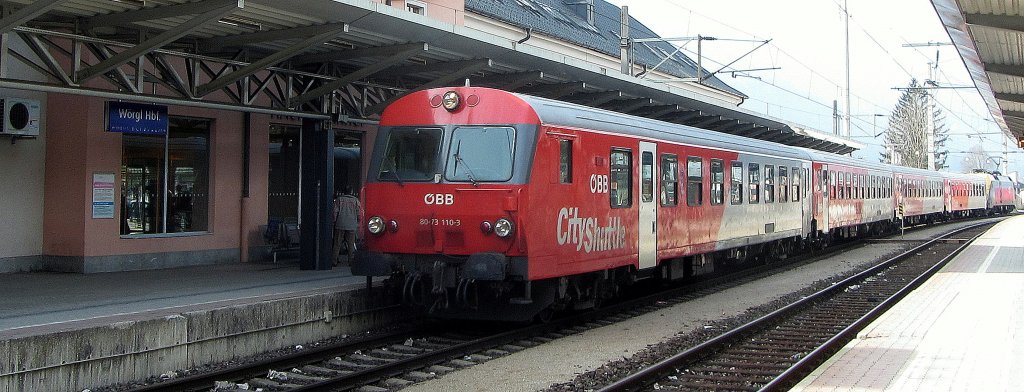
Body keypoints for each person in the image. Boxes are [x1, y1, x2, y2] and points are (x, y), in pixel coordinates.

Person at [333, 186, 361, 267]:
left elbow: (335, 212)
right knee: (351, 244)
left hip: (340, 224)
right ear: (351, 192)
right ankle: (350, 261)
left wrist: (334, 221)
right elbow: (359, 213)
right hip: (351, 225)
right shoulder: (355, 200)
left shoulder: (339, 200)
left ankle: (334, 260)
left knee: (337, 243)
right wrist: (358, 222)